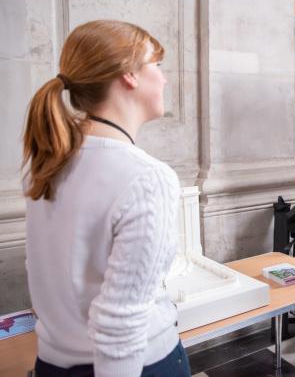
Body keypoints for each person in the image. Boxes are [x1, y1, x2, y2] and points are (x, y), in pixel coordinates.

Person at [22, 20, 191, 376]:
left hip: (52, 363)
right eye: (156, 65)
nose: (163, 78)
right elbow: (121, 326)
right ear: (129, 74)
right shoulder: (147, 178)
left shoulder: (46, 163)